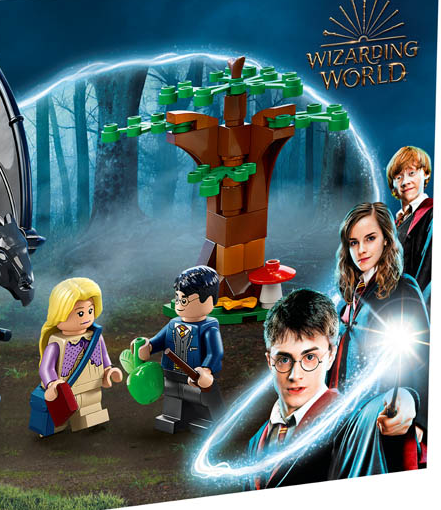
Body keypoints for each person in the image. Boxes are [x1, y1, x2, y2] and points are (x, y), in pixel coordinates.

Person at [246, 289, 388, 488]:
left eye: (309, 357)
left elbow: (372, 415)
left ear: (331, 355)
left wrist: (406, 397)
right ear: (270, 361)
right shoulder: (255, 443)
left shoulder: (348, 425)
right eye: (284, 359)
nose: (295, 375)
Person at [326, 201, 428, 470]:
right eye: (353, 242)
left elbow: (424, 354)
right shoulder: (345, 301)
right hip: (345, 419)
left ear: (386, 240)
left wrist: (420, 420)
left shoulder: (403, 288)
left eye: (370, 238)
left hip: (387, 417)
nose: (361, 249)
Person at [133, 265, 224, 434]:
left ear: (209, 300)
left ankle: (212, 420)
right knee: (173, 395)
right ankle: (173, 417)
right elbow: (159, 341)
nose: (180, 304)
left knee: (203, 397)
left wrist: (206, 369)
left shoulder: (209, 327)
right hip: (172, 374)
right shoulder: (173, 324)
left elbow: (215, 352)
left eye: (185, 300)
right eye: (178, 298)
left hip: (196, 376)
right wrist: (148, 346)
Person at [38, 277, 122, 432]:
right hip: (64, 392)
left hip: (92, 387)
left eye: (90, 310)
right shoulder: (56, 343)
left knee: (92, 412)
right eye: (80, 313)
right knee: (56, 421)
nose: (87, 317)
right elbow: (46, 367)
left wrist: (109, 371)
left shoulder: (96, 337)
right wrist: (52, 383)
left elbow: (103, 357)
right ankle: (54, 427)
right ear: (59, 314)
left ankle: (91, 423)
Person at [387, 145, 432, 301]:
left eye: (411, 173)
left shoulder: (432, 214)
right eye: (398, 177)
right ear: (393, 185)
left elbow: (428, 270)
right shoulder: (394, 225)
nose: (405, 182)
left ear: (425, 173)